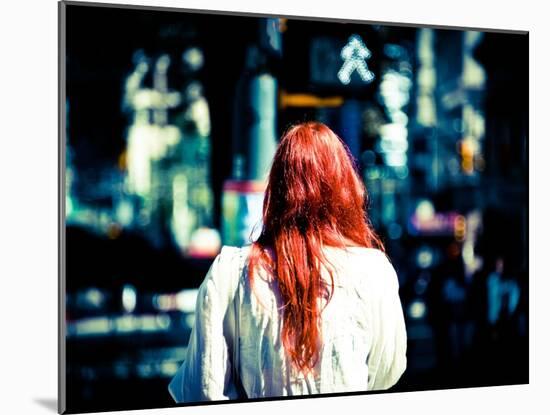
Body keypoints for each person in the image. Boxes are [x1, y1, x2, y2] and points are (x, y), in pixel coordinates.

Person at [168, 122, 407, 402]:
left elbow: (203, 386)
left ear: (277, 190)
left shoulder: (231, 273)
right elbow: (386, 371)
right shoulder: (373, 271)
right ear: (344, 188)